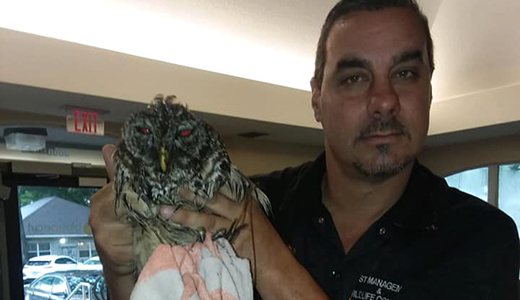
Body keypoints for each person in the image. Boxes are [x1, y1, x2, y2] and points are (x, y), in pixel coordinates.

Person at [89, 0, 520, 299]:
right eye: (354, 77)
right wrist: (122, 268)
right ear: (317, 98)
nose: (384, 100)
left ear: (428, 88)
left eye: (405, 72)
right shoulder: (256, 200)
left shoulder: (483, 238)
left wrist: (266, 257)